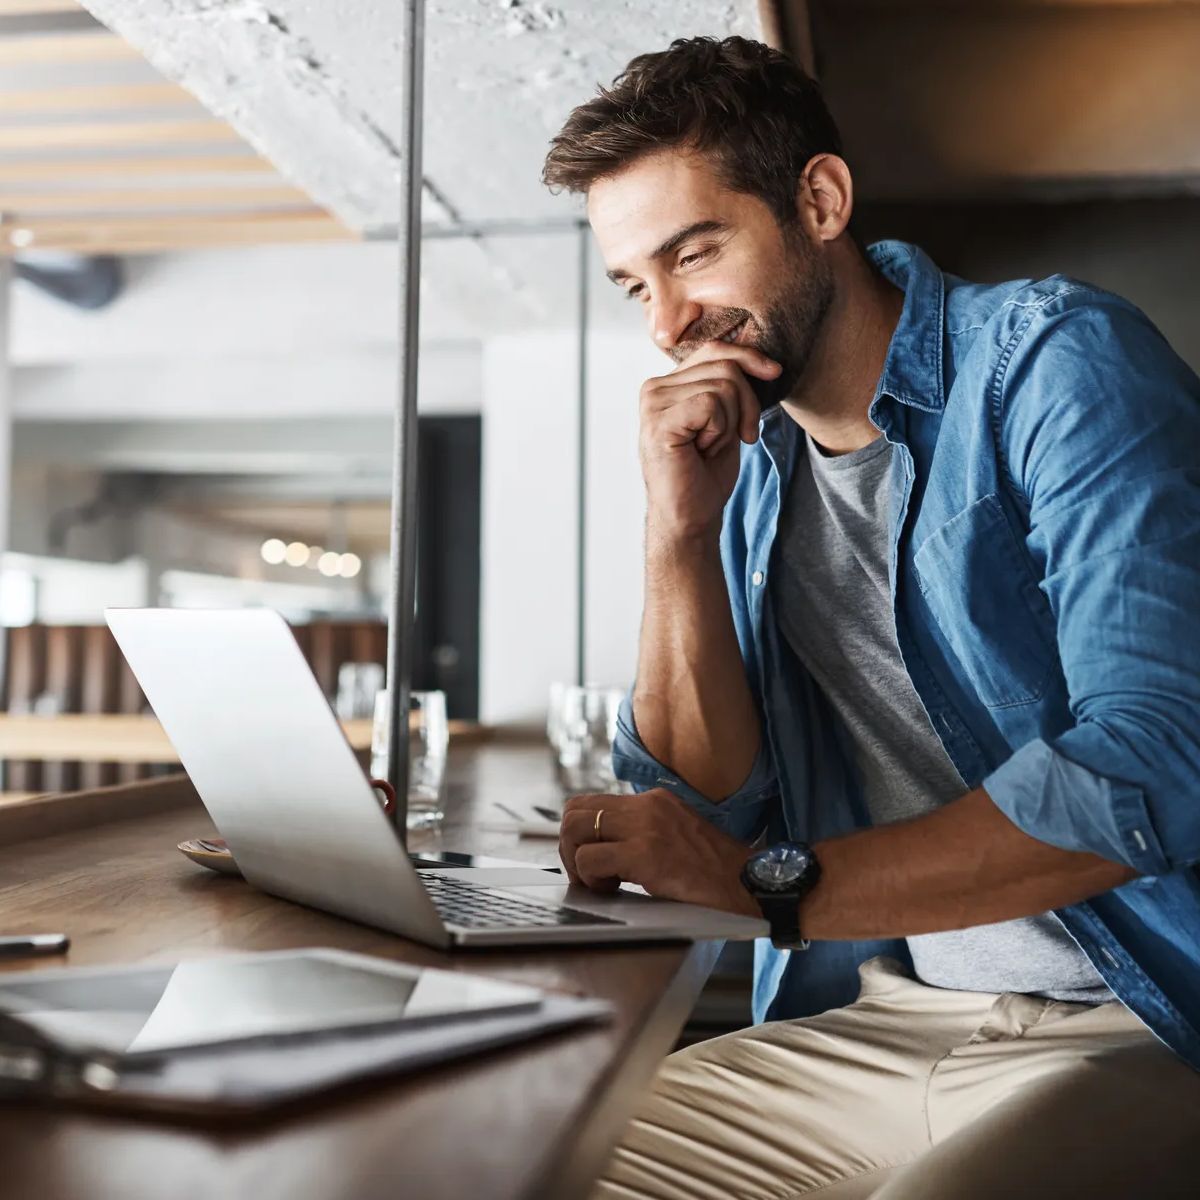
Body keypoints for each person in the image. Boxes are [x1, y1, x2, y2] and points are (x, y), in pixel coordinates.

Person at [542, 35, 1200, 1200]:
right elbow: (701, 805)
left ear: (820, 201)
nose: (668, 324)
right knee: (533, 1164)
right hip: (882, 1018)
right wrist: (676, 533)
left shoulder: (1055, 363)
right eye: (638, 285)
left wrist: (775, 884)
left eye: (695, 253)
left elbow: (1154, 764)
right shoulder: (750, 469)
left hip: (1139, 1018)